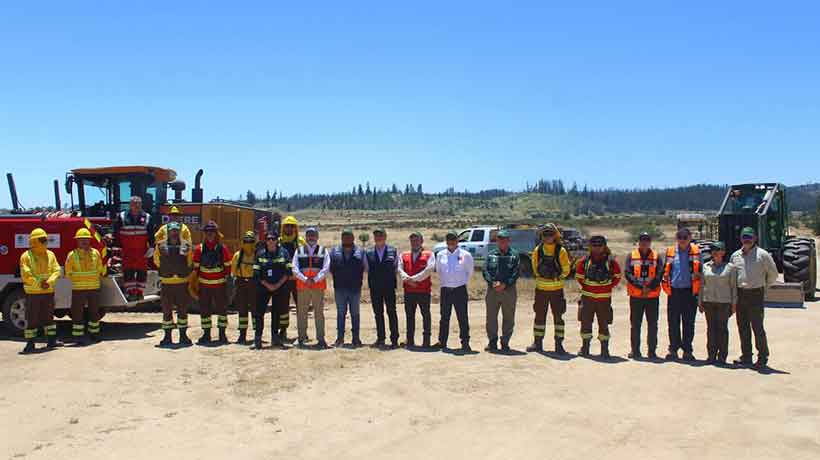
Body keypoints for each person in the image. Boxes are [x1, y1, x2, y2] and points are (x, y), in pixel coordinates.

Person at [730, 227, 779, 369]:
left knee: (757, 327)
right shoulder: (735, 256)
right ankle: (746, 356)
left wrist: (764, 285)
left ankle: (762, 357)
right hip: (740, 294)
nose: (747, 240)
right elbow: (732, 276)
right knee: (743, 327)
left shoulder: (763, 255)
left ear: (755, 238)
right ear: (741, 238)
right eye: (744, 237)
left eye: (749, 237)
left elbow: (773, 274)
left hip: (756, 294)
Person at [528, 223, 572, 354]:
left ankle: (559, 345)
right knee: (539, 317)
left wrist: (557, 277)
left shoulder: (561, 251)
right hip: (541, 290)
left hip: (557, 291)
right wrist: (545, 276)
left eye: (550, 234)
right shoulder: (538, 250)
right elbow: (534, 268)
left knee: (558, 318)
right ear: (542, 236)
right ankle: (537, 343)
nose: (548, 237)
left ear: (555, 235)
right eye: (545, 234)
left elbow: (566, 269)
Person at [575, 235, 622, 358]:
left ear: (604, 246)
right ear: (590, 246)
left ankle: (604, 350)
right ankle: (585, 348)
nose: (597, 248)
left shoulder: (611, 262)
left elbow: (617, 276)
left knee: (604, 324)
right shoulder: (584, 261)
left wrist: (607, 287)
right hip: (587, 299)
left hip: (604, 299)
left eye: (599, 245)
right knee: (585, 323)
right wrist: (589, 288)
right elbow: (579, 277)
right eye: (594, 245)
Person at [661, 228, 702, 361]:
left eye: (685, 237)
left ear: (690, 238)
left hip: (690, 292)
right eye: (680, 237)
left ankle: (687, 350)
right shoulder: (670, 252)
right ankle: (673, 350)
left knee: (688, 323)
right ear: (676, 238)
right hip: (674, 292)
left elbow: (702, 271)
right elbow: (665, 271)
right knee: (673, 322)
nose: (682, 240)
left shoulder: (697, 252)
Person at [19, 228, 62, 354]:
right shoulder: (26, 256)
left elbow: (57, 270)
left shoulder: (50, 254)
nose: (45, 242)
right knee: (32, 319)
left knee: (49, 318)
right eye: (42, 239)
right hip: (33, 293)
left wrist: (49, 282)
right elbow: (26, 274)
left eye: (46, 239)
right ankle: (30, 343)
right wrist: (40, 283)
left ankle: (52, 340)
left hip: (48, 292)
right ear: (34, 241)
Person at [624, 232, 664, 359]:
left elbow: (660, 274)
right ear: (638, 241)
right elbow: (628, 274)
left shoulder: (657, 257)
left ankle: (652, 352)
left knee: (652, 324)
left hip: (652, 296)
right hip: (636, 296)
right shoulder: (631, 256)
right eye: (642, 240)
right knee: (635, 325)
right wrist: (641, 287)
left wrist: (650, 288)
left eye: (647, 240)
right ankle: (635, 351)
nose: (644, 242)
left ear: (650, 242)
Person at [192, 221, 232, 345]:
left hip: (220, 286)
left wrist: (228, 284)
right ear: (204, 233)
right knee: (205, 311)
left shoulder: (222, 248)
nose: (210, 234)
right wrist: (193, 285)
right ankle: (206, 334)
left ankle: (222, 334)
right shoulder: (199, 249)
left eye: (212, 232)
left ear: (216, 233)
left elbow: (228, 267)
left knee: (222, 311)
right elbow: (195, 269)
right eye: (207, 232)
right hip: (204, 286)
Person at [153, 222, 193, 347]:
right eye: (172, 231)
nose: (174, 233)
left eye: (176, 231)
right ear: (168, 232)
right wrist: (167, 270)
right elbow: (156, 260)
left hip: (182, 283)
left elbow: (189, 260)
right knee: (166, 312)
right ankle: (167, 337)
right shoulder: (160, 246)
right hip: (167, 283)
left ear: (179, 232)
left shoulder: (186, 245)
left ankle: (183, 336)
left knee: (182, 311)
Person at [433, 232, 475, 352]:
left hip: (459, 289)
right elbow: (439, 270)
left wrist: (460, 282)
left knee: (462, 317)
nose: (451, 242)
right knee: (444, 317)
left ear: (457, 240)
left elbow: (470, 272)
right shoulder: (440, 255)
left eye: (453, 239)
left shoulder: (465, 255)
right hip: (446, 289)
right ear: (446, 241)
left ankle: (465, 343)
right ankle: (442, 342)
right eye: (449, 239)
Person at [65, 228, 107, 345]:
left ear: (90, 240)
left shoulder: (96, 253)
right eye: (81, 239)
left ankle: (94, 334)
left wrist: (91, 276)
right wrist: (84, 277)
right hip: (79, 289)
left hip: (94, 288)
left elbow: (100, 269)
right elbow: (68, 273)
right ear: (77, 241)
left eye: (86, 239)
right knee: (77, 313)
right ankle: (78, 336)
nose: (84, 241)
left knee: (94, 313)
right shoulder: (72, 255)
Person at [252, 231, 292, 349]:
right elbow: (256, 273)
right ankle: (257, 339)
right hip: (263, 288)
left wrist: (277, 285)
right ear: (265, 241)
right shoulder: (260, 254)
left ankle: (275, 339)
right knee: (259, 313)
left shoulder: (284, 253)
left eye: (273, 239)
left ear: (277, 240)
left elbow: (288, 271)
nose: (270, 241)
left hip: (279, 287)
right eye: (268, 239)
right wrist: (267, 285)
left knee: (276, 313)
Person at [291, 227, 330, 348]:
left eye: (313, 235)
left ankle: (321, 339)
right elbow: (294, 268)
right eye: (309, 235)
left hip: (318, 286)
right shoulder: (299, 250)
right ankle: (301, 338)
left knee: (319, 313)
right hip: (303, 286)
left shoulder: (323, 251)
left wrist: (315, 279)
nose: (311, 237)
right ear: (306, 237)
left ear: (317, 237)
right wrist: (305, 279)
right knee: (302, 313)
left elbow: (326, 268)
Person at [699, 242, 736, 365]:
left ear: (723, 252)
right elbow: (702, 285)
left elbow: (733, 287)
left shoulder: (730, 268)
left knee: (722, 329)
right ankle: (711, 355)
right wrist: (700, 301)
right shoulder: (706, 267)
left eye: (718, 249)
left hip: (723, 302)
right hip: (709, 302)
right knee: (711, 329)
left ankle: (722, 356)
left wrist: (734, 304)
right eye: (713, 250)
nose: (715, 252)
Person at [482, 230, 520, 352]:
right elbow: (485, 270)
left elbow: (516, 272)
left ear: (509, 240)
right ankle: (492, 342)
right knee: (491, 317)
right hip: (493, 290)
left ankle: (505, 342)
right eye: (500, 239)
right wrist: (492, 282)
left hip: (508, 291)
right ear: (497, 241)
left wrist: (505, 284)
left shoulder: (514, 255)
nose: (502, 242)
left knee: (508, 317)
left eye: (504, 239)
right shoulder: (491, 254)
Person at [329, 229, 368, 347]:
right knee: (341, 314)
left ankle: (356, 339)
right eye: (344, 237)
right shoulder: (334, 251)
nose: (346, 239)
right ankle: (340, 338)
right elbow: (330, 268)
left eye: (349, 237)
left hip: (355, 289)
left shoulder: (361, 252)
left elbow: (366, 267)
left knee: (355, 314)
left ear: (353, 238)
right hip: (339, 288)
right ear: (341, 238)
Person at [398, 232, 436, 348]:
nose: (414, 242)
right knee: (409, 316)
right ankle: (410, 340)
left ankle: (426, 341)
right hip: (409, 291)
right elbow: (399, 269)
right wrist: (407, 279)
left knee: (426, 315)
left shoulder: (429, 254)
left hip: (423, 291)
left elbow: (428, 270)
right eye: (412, 240)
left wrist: (413, 279)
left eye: (416, 240)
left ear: (421, 241)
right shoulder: (403, 255)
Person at [365, 228, 400, 349]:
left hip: (389, 287)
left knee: (392, 312)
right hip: (375, 287)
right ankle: (381, 339)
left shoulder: (393, 251)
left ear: (385, 237)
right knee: (378, 313)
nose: (378, 238)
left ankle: (394, 340)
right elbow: (367, 268)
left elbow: (396, 267)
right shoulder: (368, 252)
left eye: (381, 235)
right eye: (376, 236)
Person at [115, 196, 155, 300]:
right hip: (127, 250)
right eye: (134, 203)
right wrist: (117, 246)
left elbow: (151, 233)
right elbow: (116, 232)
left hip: (142, 250)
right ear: (130, 205)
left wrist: (152, 246)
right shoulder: (122, 216)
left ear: (141, 204)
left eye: (138, 203)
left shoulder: (147, 217)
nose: (136, 205)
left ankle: (140, 293)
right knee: (128, 271)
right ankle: (131, 293)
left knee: (142, 271)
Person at [277, 215, 307, 342]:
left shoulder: (301, 242)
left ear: (295, 228)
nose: (289, 228)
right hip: (283, 280)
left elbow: (306, 260)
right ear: (283, 228)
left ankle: (302, 332)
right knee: (283, 306)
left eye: (292, 226)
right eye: (287, 226)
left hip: (298, 280)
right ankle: (283, 330)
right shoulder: (278, 242)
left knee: (301, 306)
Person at [231, 231, 257, 345]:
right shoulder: (237, 255)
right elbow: (233, 271)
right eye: (246, 241)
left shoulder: (257, 255)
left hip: (254, 284)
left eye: (250, 241)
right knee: (242, 311)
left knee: (255, 311)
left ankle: (257, 334)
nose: (248, 244)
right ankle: (242, 335)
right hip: (241, 284)